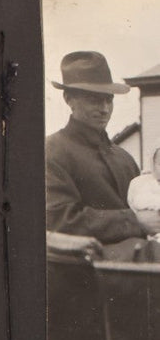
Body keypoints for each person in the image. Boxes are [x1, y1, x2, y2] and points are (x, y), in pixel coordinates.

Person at [45, 51, 160, 260]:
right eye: (94, 100)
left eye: (108, 100)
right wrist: (136, 222)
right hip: (89, 266)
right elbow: (59, 219)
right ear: (68, 99)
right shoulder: (51, 152)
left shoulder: (123, 159)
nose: (104, 109)